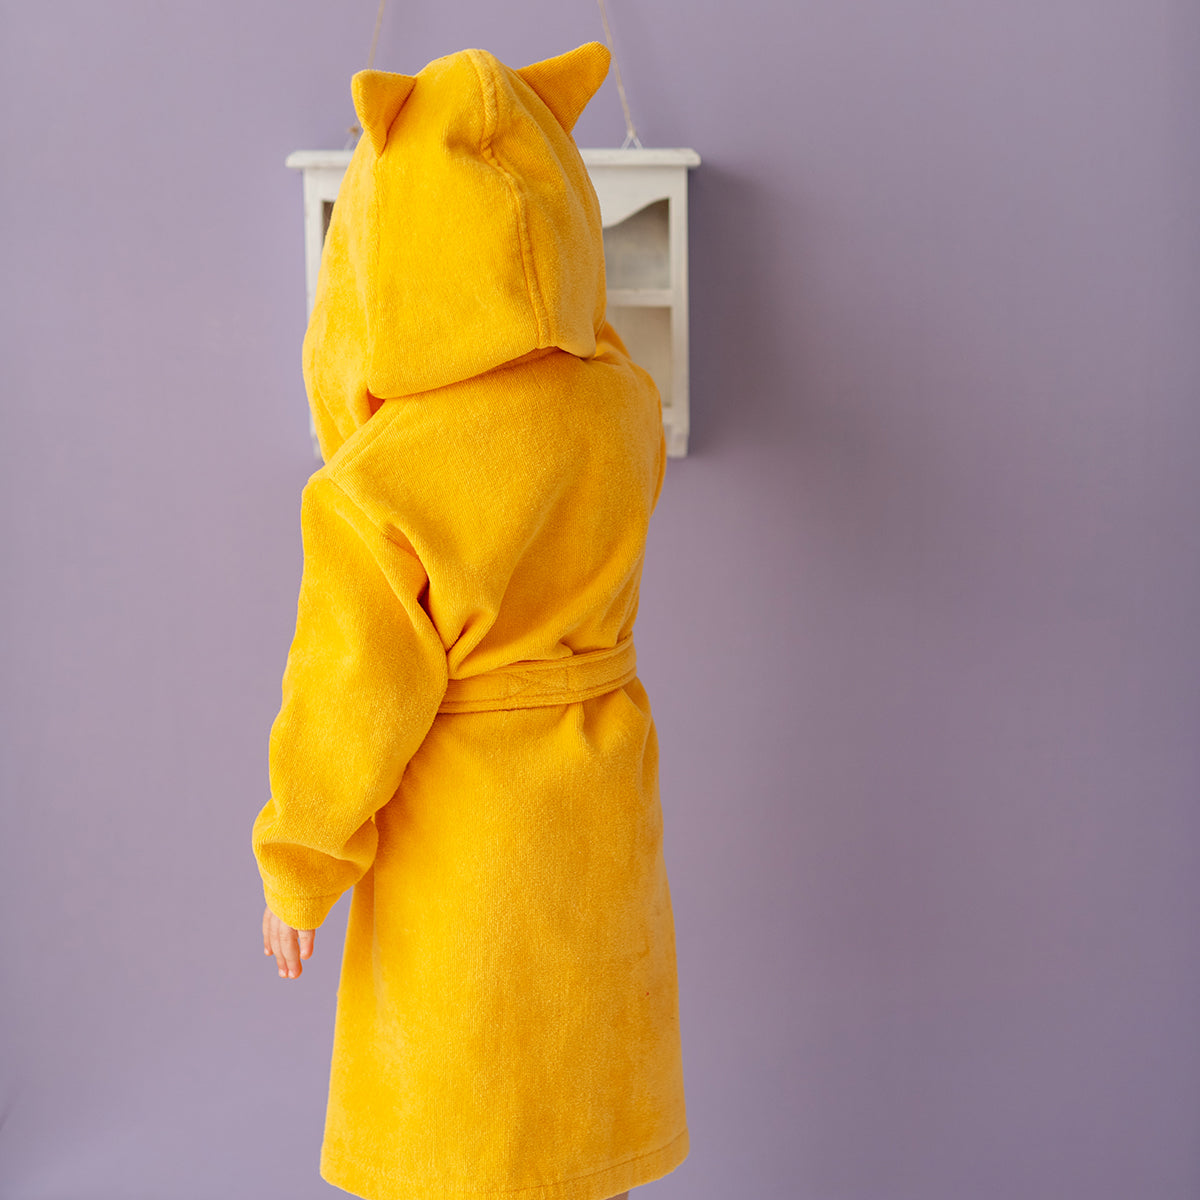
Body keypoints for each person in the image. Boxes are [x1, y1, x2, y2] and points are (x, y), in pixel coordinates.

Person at [251, 41, 687, 1200]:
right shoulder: (623, 408)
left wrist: (298, 863)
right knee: (581, 1131)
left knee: (465, 1136)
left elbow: (351, 688)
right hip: (599, 814)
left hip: (470, 847)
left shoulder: (385, 477)